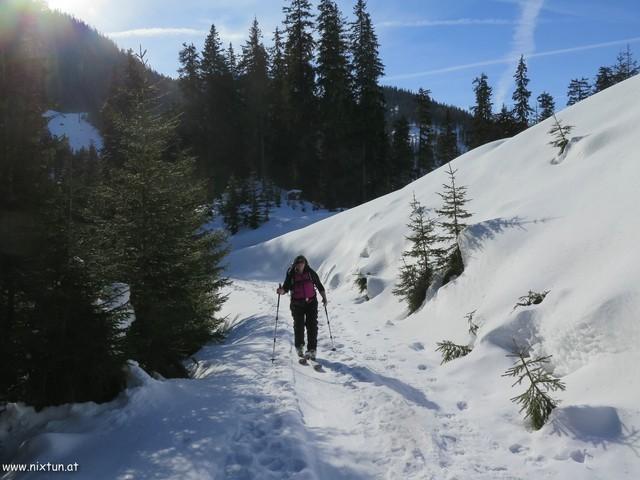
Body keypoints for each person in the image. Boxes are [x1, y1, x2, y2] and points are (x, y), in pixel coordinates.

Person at [276, 255, 327, 360]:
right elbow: (285, 287)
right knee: (299, 326)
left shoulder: (310, 273)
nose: (300, 264)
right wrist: (281, 291)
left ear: (305, 263)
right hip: (297, 304)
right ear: (295, 264)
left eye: (302, 262)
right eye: (298, 262)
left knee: (312, 326)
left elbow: (319, 285)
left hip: (311, 302)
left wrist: (324, 298)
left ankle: (312, 350)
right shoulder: (291, 274)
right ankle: (299, 347)